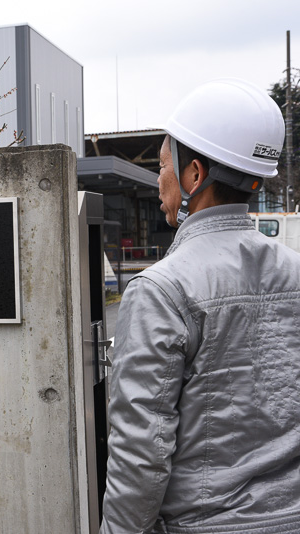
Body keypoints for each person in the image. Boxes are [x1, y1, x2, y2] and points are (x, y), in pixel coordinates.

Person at [100, 79, 300, 533]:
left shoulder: (161, 289)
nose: (158, 179)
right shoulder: (295, 270)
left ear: (194, 175)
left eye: (163, 164)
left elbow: (140, 453)